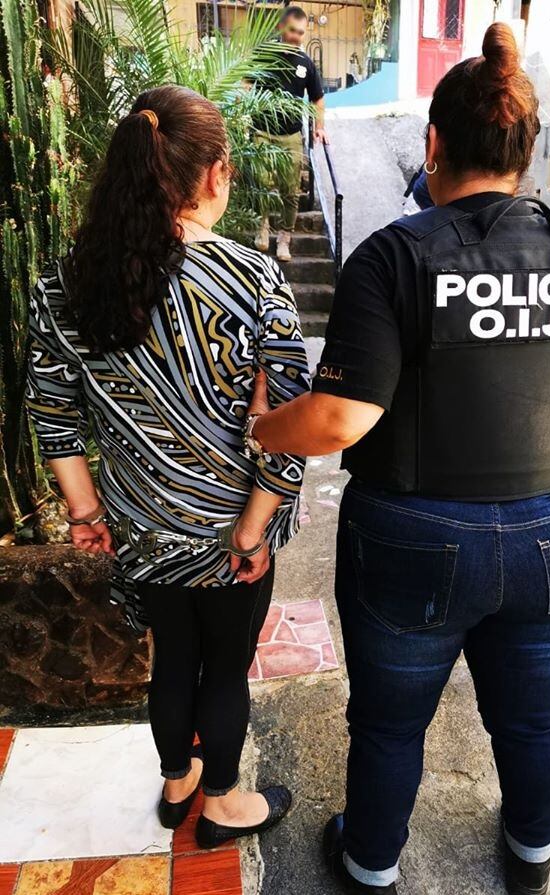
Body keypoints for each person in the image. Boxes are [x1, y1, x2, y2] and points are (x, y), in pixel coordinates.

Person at [242, 23, 550, 895]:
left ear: (434, 144)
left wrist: (260, 428)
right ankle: (532, 858)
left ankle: (373, 869)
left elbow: (340, 418)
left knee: (391, 721)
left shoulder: (394, 255)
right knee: (537, 715)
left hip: (415, 536)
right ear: (526, 152)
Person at [26, 85, 310, 848]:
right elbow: (291, 424)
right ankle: (221, 803)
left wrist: (85, 515)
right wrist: (252, 529)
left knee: (173, 660)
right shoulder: (254, 279)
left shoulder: (66, 282)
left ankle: (177, 783)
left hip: (141, 530)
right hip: (231, 533)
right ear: (215, 174)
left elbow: (53, 415)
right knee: (225, 669)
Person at [254, 5, 327, 262]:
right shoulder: (263, 54)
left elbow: (317, 98)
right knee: (261, 182)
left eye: (301, 32)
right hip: (262, 131)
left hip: (292, 135)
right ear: (281, 27)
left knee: (290, 189)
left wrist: (319, 127)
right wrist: (242, 116)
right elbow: (245, 84)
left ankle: (285, 237)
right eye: (292, 30)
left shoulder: (306, 63)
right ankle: (262, 227)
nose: (296, 36)